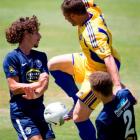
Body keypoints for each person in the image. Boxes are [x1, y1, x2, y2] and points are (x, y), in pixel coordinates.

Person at [48, 0, 123, 139]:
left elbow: (108, 58)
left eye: (66, 17)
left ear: (74, 15)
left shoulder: (92, 34)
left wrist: (117, 85)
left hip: (100, 72)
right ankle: (76, 99)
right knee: (53, 64)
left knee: (78, 117)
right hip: (88, 61)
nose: (66, 20)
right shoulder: (90, 8)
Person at [3, 15, 55, 140]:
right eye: (36, 32)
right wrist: (36, 85)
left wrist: (37, 94)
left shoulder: (41, 56)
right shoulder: (12, 58)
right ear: (27, 34)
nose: (40, 36)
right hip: (21, 112)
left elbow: (45, 83)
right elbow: (14, 87)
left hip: (39, 109)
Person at [89, 71, 137, 140]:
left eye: (92, 89)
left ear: (98, 93)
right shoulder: (125, 94)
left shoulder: (102, 119)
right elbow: (134, 101)